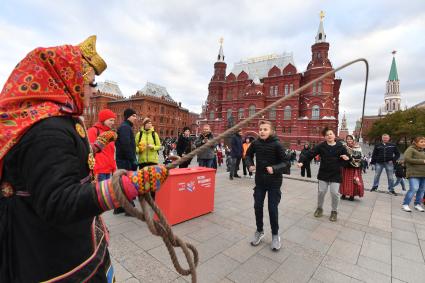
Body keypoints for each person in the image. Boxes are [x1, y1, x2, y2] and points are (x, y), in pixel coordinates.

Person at [0, 36, 169, 282]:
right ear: (67, 80)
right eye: (90, 83)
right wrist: (126, 186)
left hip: (64, 242)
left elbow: (61, 164)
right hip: (56, 259)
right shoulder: (48, 129)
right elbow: (58, 200)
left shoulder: (56, 121)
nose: (94, 90)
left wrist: (96, 144)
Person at [246, 120, 289, 251]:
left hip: (274, 183)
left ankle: (275, 235)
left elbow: (286, 163)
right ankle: (259, 231)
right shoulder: (256, 143)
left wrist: (274, 168)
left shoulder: (277, 144)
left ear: (271, 131)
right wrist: (250, 165)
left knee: (272, 209)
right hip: (260, 181)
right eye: (260, 129)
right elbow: (247, 155)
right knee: (257, 206)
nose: (262, 131)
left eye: (265, 129)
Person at [297, 127, 350, 222]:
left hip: (335, 174)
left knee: (335, 193)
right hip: (323, 173)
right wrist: (302, 161)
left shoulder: (341, 146)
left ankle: (334, 211)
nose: (329, 135)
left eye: (331, 134)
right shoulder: (321, 146)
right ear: (325, 137)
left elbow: (347, 158)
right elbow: (309, 154)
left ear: (334, 135)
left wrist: (346, 158)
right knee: (321, 192)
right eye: (327, 135)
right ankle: (319, 208)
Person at [114, 108, 138, 215]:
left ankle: (120, 207)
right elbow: (125, 145)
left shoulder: (126, 127)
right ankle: (128, 208)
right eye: (134, 116)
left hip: (124, 160)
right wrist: (132, 159)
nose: (135, 118)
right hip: (125, 161)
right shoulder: (125, 128)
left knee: (123, 184)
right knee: (126, 184)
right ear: (128, 116)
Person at [87, 109, 117, 182]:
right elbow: (89, 151)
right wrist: (94, 170)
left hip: (108, 171)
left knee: (107, 193)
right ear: (103, 120)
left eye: (113, 120)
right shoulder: (93, 131)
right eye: (110, 120)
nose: (113, 123)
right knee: (99, 193)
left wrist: (113, 168)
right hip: (99, 172)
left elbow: (111, 152)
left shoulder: (109, 133)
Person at [401, 136, 425, 212]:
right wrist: (422, 161)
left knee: (422, 190)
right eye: (421, 142)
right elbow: (407, 159)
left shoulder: (423, 151)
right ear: (415, 142)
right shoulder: (411, 149)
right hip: (413, 173)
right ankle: (405, 204)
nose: (424, 143)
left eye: (424, 142)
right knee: (414, 188)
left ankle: (417, 204)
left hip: (423, 174)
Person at [339, 135, 364, 201]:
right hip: (346, 166)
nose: (349, 140)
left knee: (353, 181)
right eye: (348, 139)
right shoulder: (344, 146)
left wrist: (351, 154)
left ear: (353, 140)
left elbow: (359, 156)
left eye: (350, 139)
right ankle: (344, 193)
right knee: (344, 180)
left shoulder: (357, 147)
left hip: (354, 167)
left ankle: (352, 195)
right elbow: (341, 154)